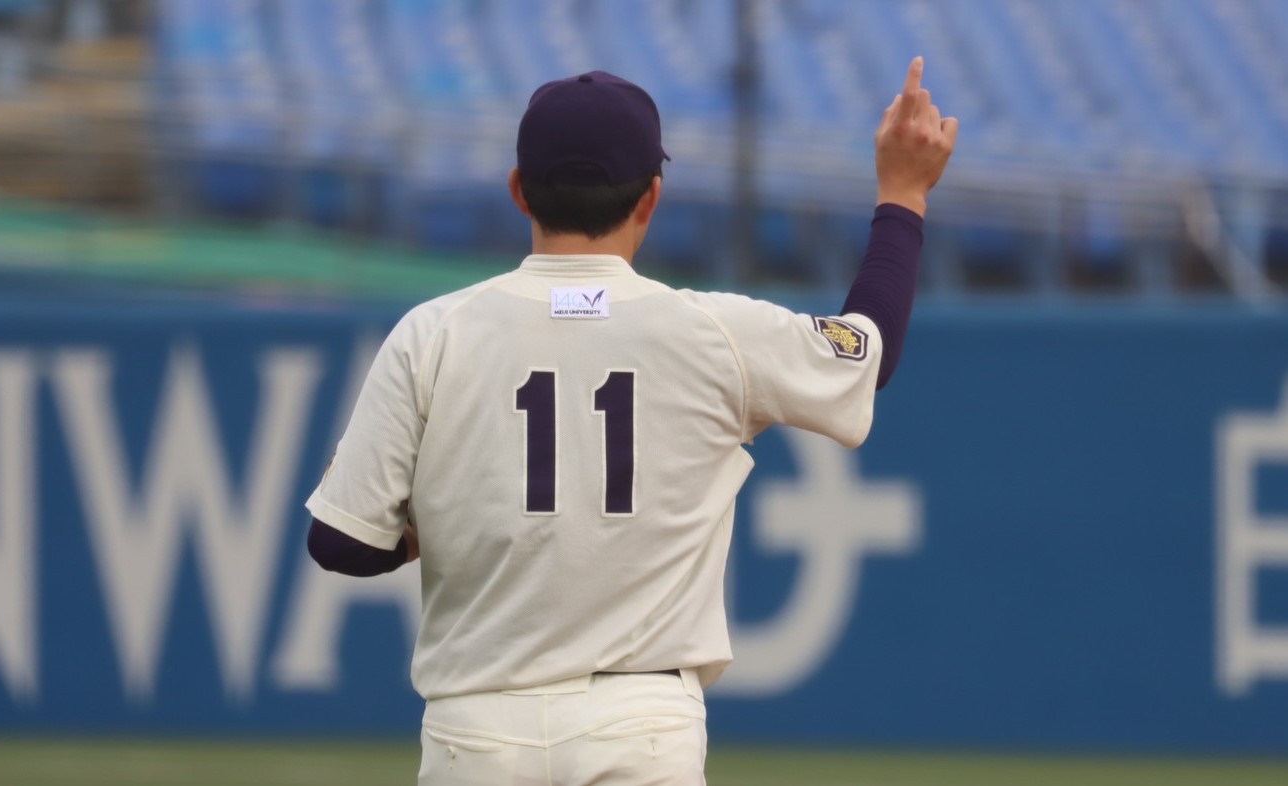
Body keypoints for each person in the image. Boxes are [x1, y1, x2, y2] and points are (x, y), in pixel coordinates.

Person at [306, 58, 956, 785]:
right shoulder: (714, 333)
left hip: (476, 733)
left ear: (519, 190)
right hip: (640, 729)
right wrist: (903, 194)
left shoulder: (433, 333)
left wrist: (439, 520)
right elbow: (868, 353)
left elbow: (341, 542)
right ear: (651, 197)